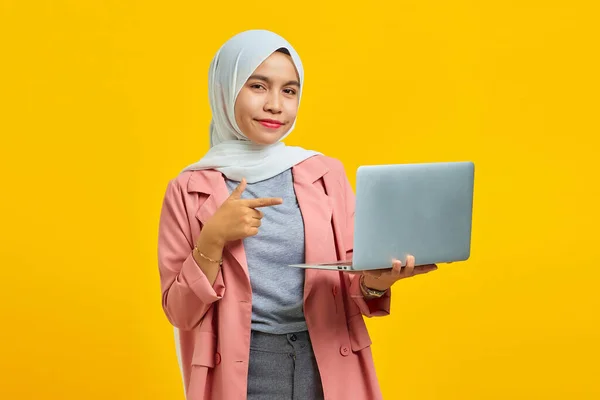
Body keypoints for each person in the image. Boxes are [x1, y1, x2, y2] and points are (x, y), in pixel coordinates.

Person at [157, 29, 438, 400]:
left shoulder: (324, 173)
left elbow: (355, 282)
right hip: (241, 369)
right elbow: (180, 313)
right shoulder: (188, 189)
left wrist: (377, 281)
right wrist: (211, 240)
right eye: (258, 86)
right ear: (225, 90)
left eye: (289, 90)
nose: (276, 105)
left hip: (327, 360)